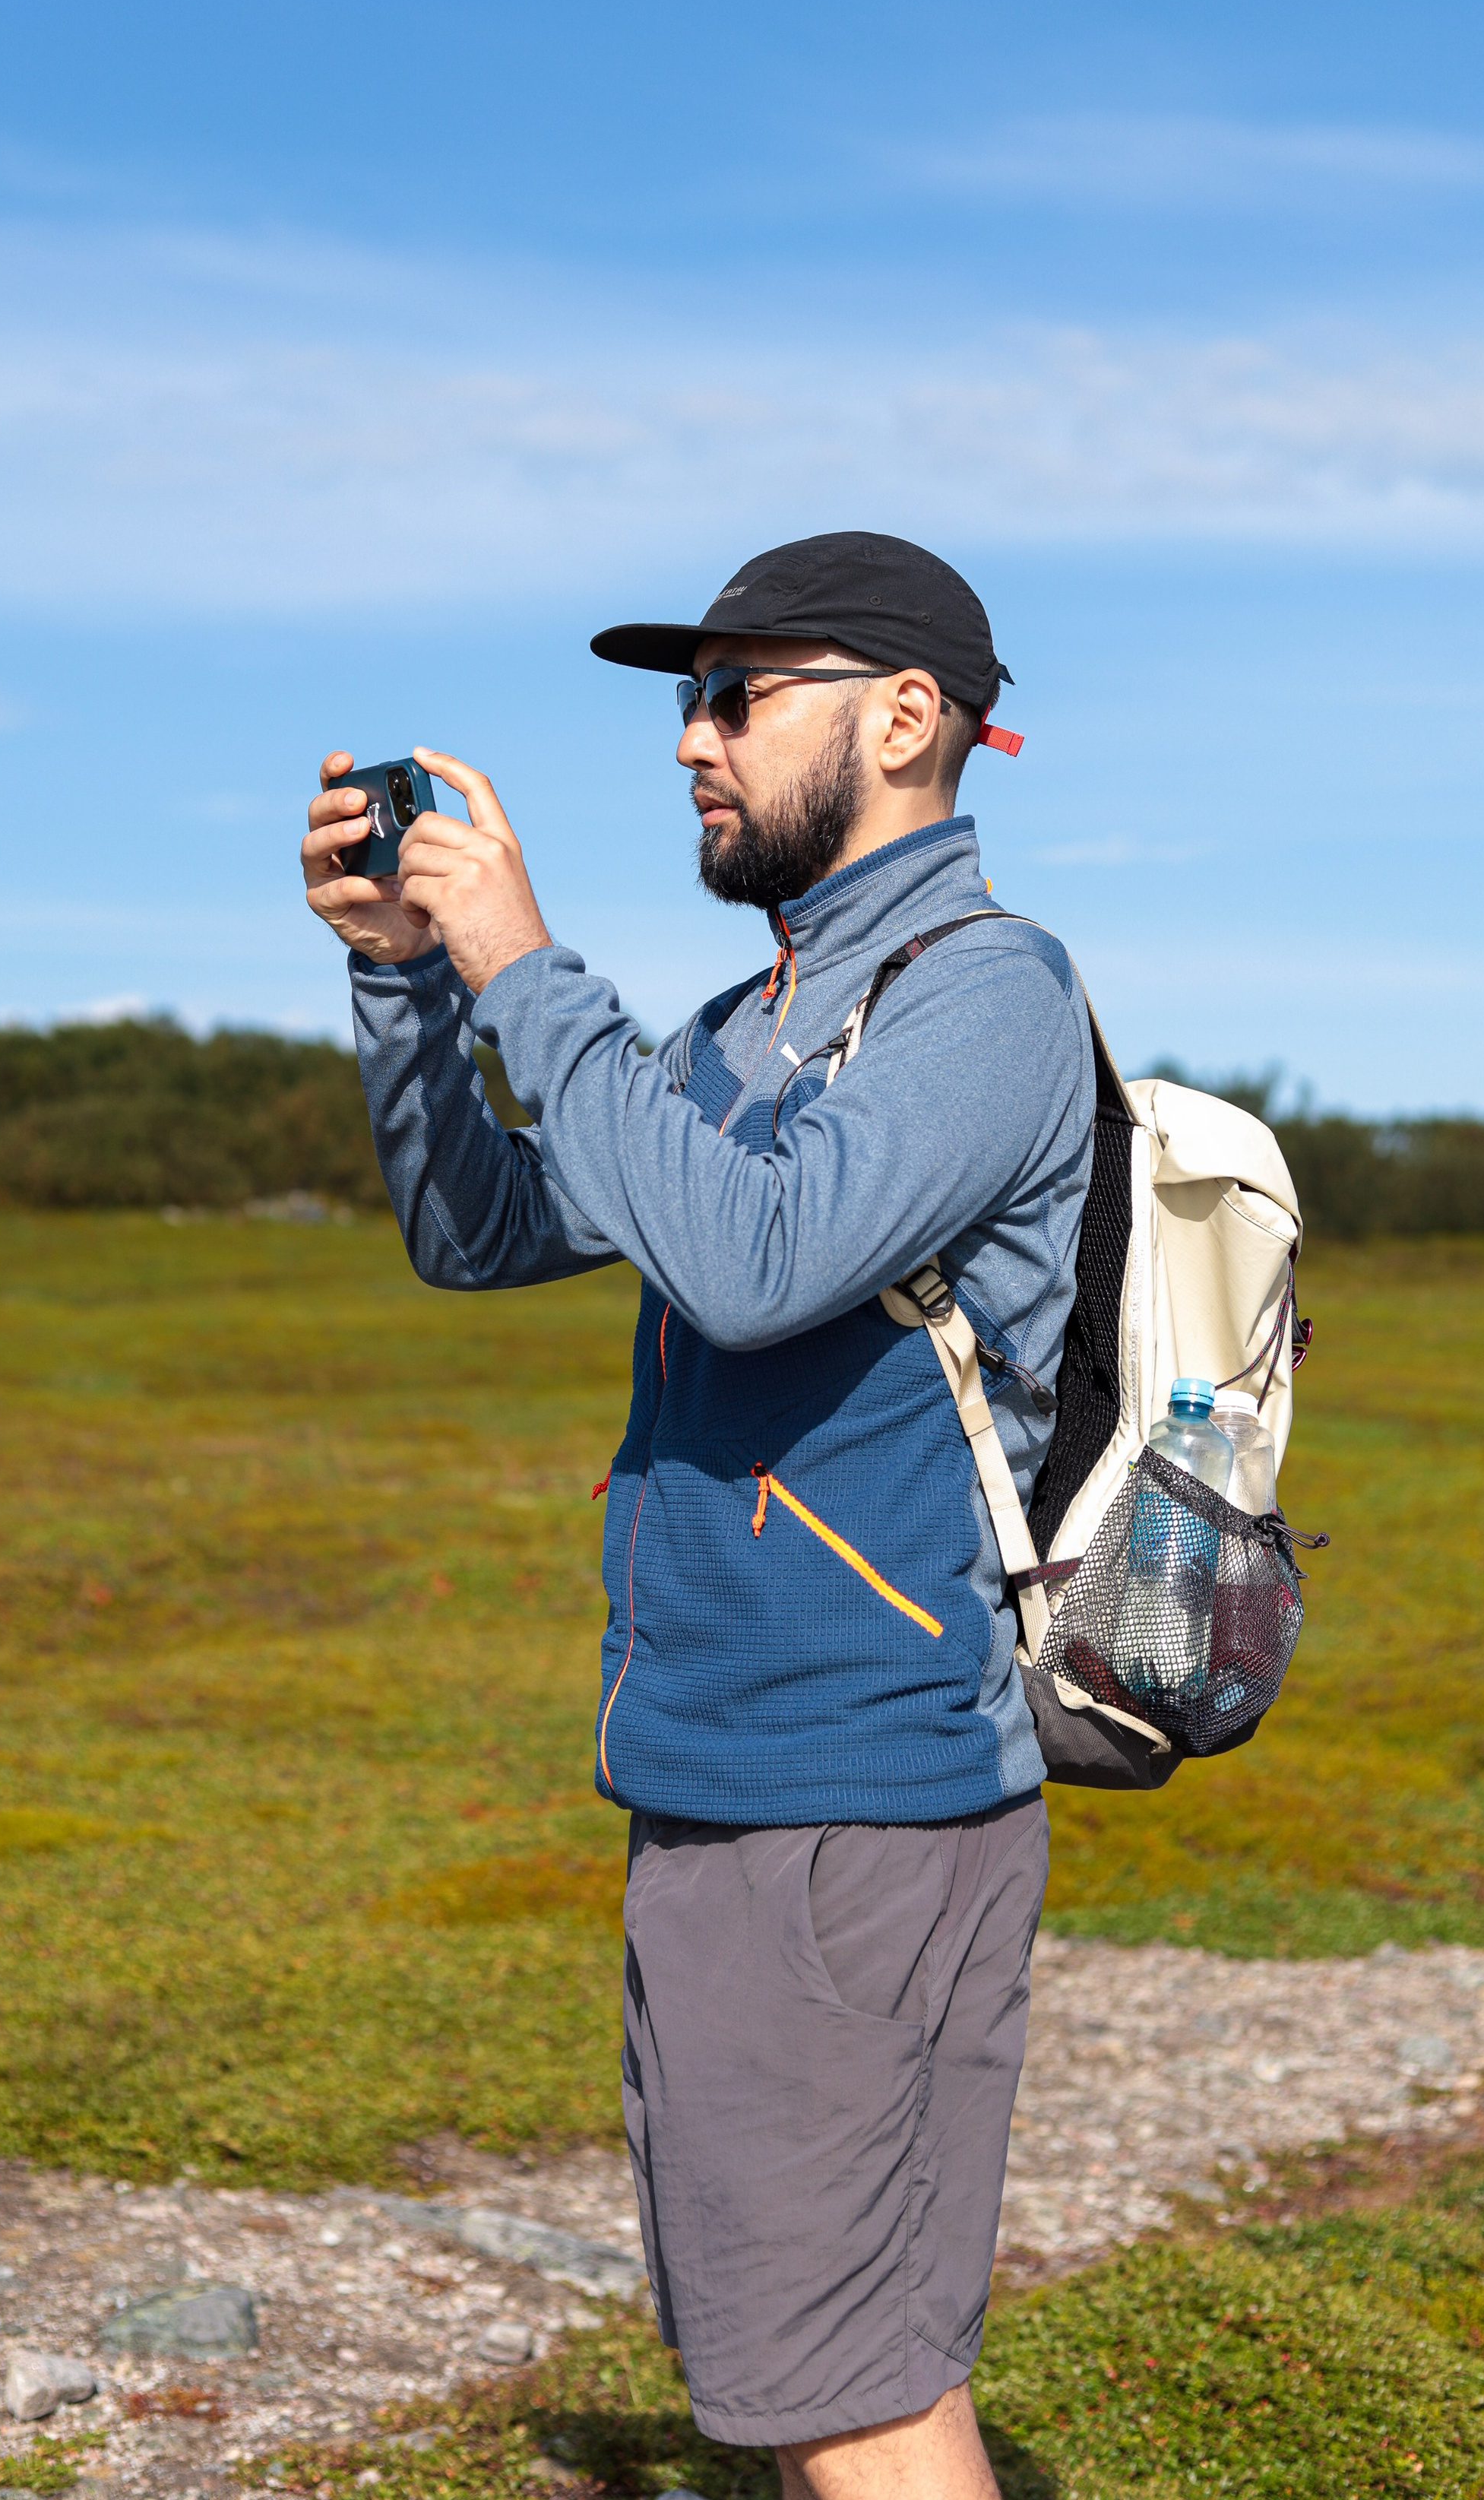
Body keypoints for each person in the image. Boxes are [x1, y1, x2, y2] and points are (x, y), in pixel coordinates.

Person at [301, 531, 1094, 2500]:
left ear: (904, 718)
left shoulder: (984, 996)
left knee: (841, 2391)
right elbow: (485, 1231)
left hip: (856, 1793)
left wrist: (525, 966)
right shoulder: (749, 1025)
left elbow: (752, 1261)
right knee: (834, 2361)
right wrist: (407, 985)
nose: (690, 742)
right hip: (729, 1774)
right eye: (685, 699)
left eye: (737, 695)